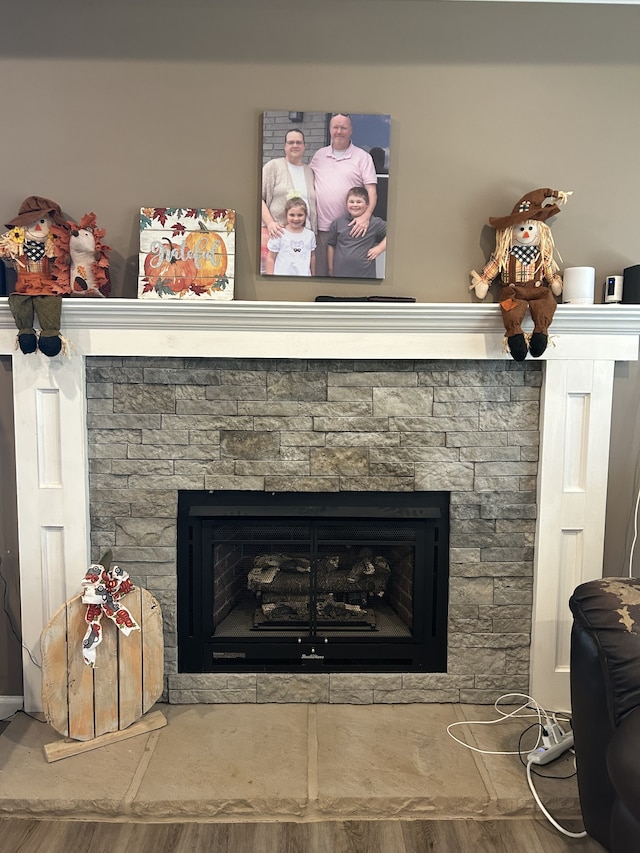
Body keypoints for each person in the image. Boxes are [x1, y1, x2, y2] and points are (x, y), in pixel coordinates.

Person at [309, 113, 378, 276]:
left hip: (350, 230)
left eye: (343, 127)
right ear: (330, 129)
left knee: (345, 276)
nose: (339, 131)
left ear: (351, 130)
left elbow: (372, 192)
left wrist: (365, 216)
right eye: (335, 127)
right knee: (320, 275)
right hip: (321, 229)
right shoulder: (319, 155)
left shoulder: (363, 157)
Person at [261, 128, 317, 274]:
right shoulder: (273, 167)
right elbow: (256, 198)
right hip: (277, 235)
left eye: (299, 142)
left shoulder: (309, 172)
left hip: (304, 237)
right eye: (290, 142)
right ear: (285, 146)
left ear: (304, 146)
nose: (295, 145)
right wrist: (270, 223)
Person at [327, 186, 386, 279]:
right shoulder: (338, 223)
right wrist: (330, 268)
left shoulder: (374, 222)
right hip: (340, 273)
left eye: (359, 202)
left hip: (365, 274)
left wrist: (379, 248)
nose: (355, 205)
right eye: (351, 202)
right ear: (346, 204)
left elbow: (396, 233)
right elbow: (331, 245)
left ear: (367, 205)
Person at [265, 197, 316, 277]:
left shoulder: (310, 235)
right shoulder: (279, 233)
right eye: (292, 215)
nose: (296, 218)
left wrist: (313, 275)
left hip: (303, 280)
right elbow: (270, 258)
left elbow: (312, 256)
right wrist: (270, 278)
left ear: (306, 215)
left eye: (300, 215)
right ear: (286, 215)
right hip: (281, 280)